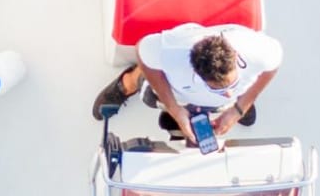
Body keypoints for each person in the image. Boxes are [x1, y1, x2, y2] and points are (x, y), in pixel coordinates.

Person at [91, 23, 283, 146]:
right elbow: (143, 50)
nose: (227, 94)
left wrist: (239, 108)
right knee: (148, 93)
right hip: (178, 90)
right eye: (217, 88)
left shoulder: (258, 50)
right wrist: (174, 109)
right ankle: (127, 84)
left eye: (232, 85)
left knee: (235, 98)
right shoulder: (173, 52)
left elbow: (272, 67)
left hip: (231, 101)